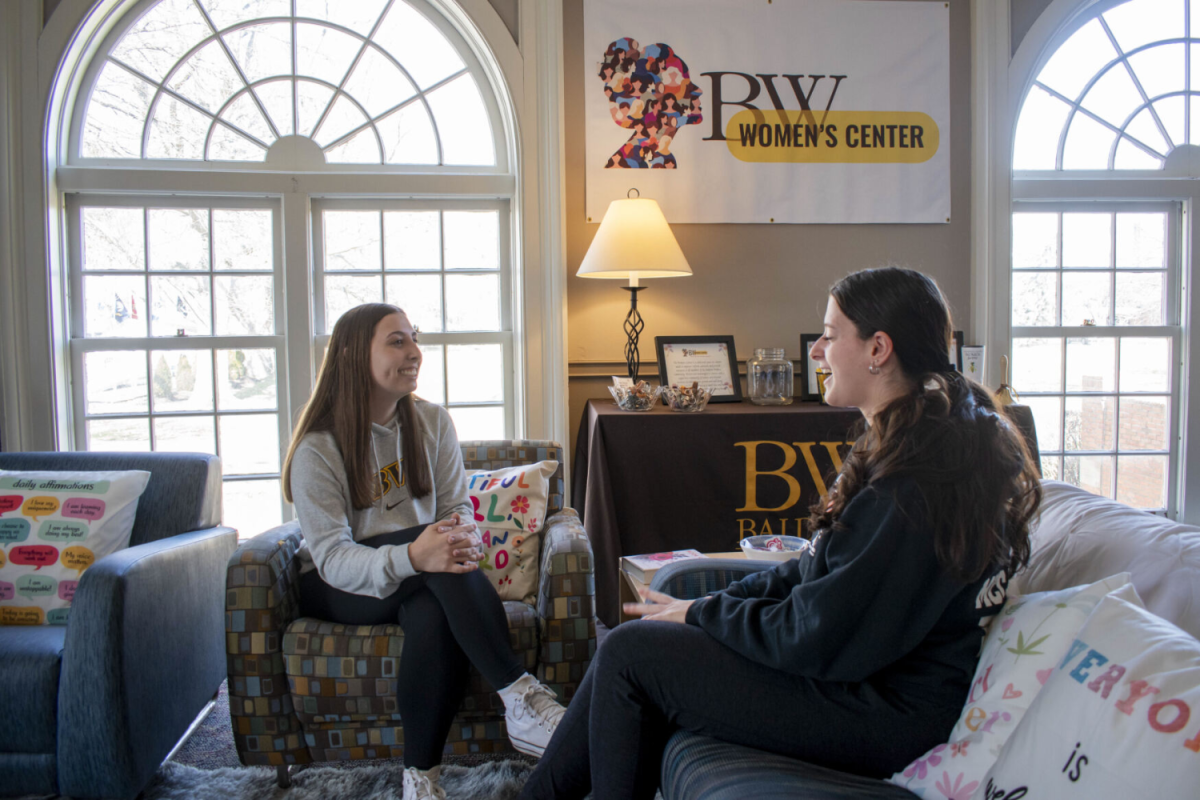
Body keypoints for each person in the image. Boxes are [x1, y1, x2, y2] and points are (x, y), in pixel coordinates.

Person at [517, 268, 1042, 799]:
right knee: (638, 649)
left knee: (631, 655)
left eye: (832, 335)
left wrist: (703, 615)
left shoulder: (912, 487)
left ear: (878, 348)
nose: (816, 350)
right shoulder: (914, 443)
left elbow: (813, 632)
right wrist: (712, 605)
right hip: (864, 681)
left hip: (883, 713)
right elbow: (813, 570)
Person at [282, 303, 566, 800]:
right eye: (397, 341)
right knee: (436, 561)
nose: (415, 352)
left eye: (414, 338)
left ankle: (421, 779)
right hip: (339, 585)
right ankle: (518, 695)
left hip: (422, 577)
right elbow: (331, 557)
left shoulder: (432, 422)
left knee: (433, 608)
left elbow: (458, 510)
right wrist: (416, 555)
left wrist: (463, 536)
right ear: (353, 354)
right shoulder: (318, 448)